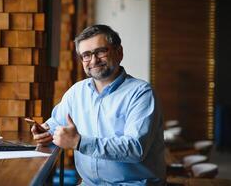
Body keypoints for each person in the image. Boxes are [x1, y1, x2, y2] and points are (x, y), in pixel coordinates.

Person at [31, 24, 166, 185]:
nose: (93, 60)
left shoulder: (141, 93)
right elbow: (56, 122)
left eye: (101, 52)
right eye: (86, 55)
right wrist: (44, 131)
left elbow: (136, 148)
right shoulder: (76, 92)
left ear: (119, 52)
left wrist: (79, 142)